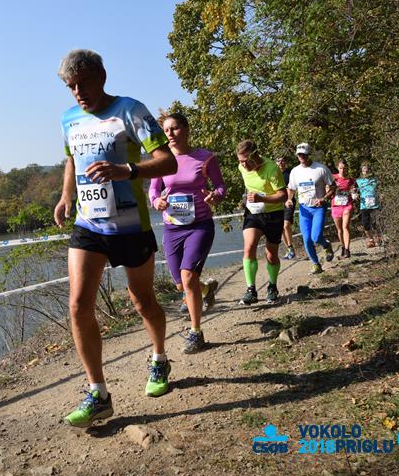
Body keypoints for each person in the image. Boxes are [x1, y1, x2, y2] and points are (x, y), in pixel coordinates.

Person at [53, 49, 178, 428]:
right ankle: (98, 393)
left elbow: (168, 160)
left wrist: (126, 170)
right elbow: (72, 160)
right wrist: (66, 196)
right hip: (88, 226)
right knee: (78, 306)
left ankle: (159, 359)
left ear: (102, 77)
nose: (78, 92)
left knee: (143, 301)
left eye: (84, 83)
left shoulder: (129, 110)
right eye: (71, 86)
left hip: (130, 227)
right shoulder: (69, 119)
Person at [148, 113, 226, 354]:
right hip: (172, 227)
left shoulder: (205, 157)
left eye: (175, 128)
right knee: (181, 284)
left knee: (188, 275)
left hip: (199, 225)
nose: (170, 134)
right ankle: (206, 290)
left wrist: (215, 195)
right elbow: (153, 190)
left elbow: (220, 186)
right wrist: (156, 201)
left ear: (186, 129)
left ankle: (196, 332)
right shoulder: (161, 159)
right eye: (166, 130)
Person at [235, 140, 287, 305]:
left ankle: (272, 286)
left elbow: (283, 195)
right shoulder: (241, 168)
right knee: (249, 247)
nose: (243, 165)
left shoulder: (271, 168)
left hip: (273, 214)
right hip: (253, 213)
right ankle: (251, 290)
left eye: (246, 161)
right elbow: (249, 187)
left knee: (271, 254)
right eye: (240, 161)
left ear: (255, 155)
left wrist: (262, 198)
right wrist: (248, 199)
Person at [286, 143, 336, 274]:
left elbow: (333, 186)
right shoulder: (295, 171)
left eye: (304, 154)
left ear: (309, 154)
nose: (301, 156)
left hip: (318, 207)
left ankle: (326, 245)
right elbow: (291, 188)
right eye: (299, 154)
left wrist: (324, 198)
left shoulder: (321, 169)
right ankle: (316, 264)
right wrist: (289, 199)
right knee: (307, 239)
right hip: (304, 209)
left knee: (316, 236)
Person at [331, 159, 357, 258]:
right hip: (336, 206)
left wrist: (354, 192)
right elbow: (327, 188)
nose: (342, 170)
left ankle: (347, 250)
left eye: (344, 168)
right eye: (341, 168)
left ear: (347, 169)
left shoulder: (351, 180)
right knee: (339, 230)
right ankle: (343, 246)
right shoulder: (333, 178)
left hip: (347, 205)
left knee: (345, 226)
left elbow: (354, 191)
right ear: (338, 168)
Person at [356, 161, 383, 247]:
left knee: (376, 223)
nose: (366, 171)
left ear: (369, 170)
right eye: (364, 170)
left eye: (367, 170)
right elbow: (353, 190)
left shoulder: (375, 180)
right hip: (364, 205)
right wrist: (355, 195)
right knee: (365, 224)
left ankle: (378, 237)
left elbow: (380, 189)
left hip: (375, 205)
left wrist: (381, 194)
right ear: (361, 171)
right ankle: (371, 240)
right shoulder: (358, 181)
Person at [275, 155, 296, 259]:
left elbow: (293, 188)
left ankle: (290, 247)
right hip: (277, 203)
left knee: (286, 225)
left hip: (289, 201)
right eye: (278, 161)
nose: (280, 163)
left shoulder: (290, 173)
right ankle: (289, 249)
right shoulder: (274, 174)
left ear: (285, 162)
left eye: (282, 161)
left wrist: (288, 199)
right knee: (280, 228)